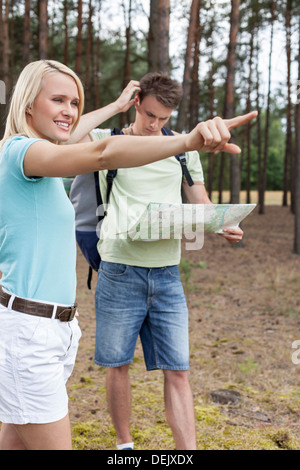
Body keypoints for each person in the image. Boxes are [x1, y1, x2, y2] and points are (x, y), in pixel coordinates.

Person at [0, 61, 244, 451]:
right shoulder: (22, 153)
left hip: (52, 328)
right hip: (30, 330)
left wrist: (113, 106)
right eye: (58, 99)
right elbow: (102, 153)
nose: (70, 110)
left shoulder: (41, 160)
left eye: (75, 101)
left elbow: (74, 134)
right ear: (28, 103)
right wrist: (186, 140)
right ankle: (124, 446)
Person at [75, 72, 257, 450]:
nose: (156, 124)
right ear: (137, 101)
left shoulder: (182, 147)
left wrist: (221, 223)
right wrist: (116, 106)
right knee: (118, 364)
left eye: (164, 118)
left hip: (167, 274)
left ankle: (186, 453)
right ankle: (125, 447)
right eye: (150, 115)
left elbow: (200, 199)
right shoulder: (108, 142)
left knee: (179, 369)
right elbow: (67, 136)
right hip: (119, 269)